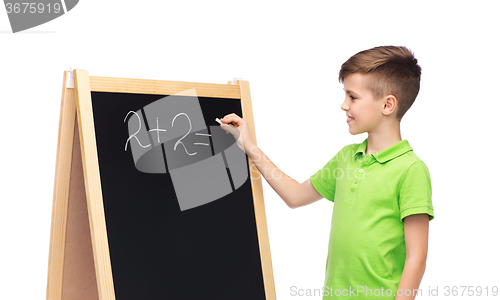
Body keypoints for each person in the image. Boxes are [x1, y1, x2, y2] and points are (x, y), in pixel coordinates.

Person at [220, 46, 434, 300]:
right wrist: (249, 147)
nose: (344, 105)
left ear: (388, 104)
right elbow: (295, 195)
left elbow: (416, 258)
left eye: (353, 97)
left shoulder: (411, 170)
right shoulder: (346, 158)